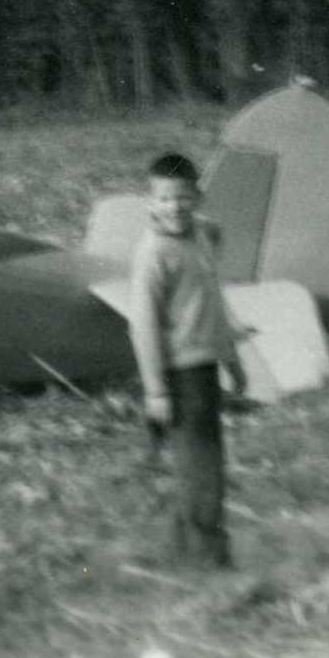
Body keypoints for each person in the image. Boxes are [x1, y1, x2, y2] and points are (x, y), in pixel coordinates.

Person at [127, 152, 245, 569]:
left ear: (197, 197)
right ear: (149, 203)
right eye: (163, 199)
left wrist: (232, 360)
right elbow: (142, 328)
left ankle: (185, 547)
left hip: (205, 366)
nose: (173, 207)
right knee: (203, 464)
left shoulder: (199, 237)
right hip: (179, 373)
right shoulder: (152, 255)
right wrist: (156, 391)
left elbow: (213, 305)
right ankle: (209, 559)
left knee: (198, 461)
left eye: (182, 198)